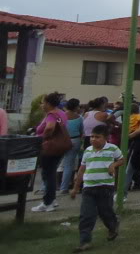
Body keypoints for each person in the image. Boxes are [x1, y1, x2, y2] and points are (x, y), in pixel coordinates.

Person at [69, 123, 123, 252]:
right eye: (92, 136)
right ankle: (85, 241)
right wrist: (76, 188)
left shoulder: (112, 149)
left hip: (105, 187)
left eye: (97, 137)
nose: (93, 139)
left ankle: (113, 226)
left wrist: (113, 165)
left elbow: (122, 159)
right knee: (86, 215)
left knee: (105, 211)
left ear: (105, 138)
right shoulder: (87, 151)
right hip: (89, 188)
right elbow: (82, 169)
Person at [33, 91, 68, 212]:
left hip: (49, 147)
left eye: (43, 103)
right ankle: (51, 199)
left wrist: (44, 137)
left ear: (48, 103)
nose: (42, 105)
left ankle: (48, 202)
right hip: (60, 147)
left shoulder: (51, 115)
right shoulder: (62, 113)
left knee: (48, 174)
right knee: (51, 173)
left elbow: (49, 127)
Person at [60, 98, 84, 195]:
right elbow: (82, 131)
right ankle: (64, 187)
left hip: (61, 140)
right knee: (69, 165)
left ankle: (46, 186)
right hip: (75, 140)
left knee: (57, 163)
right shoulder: (79, 118)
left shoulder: (62, 116)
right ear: (75, 107)